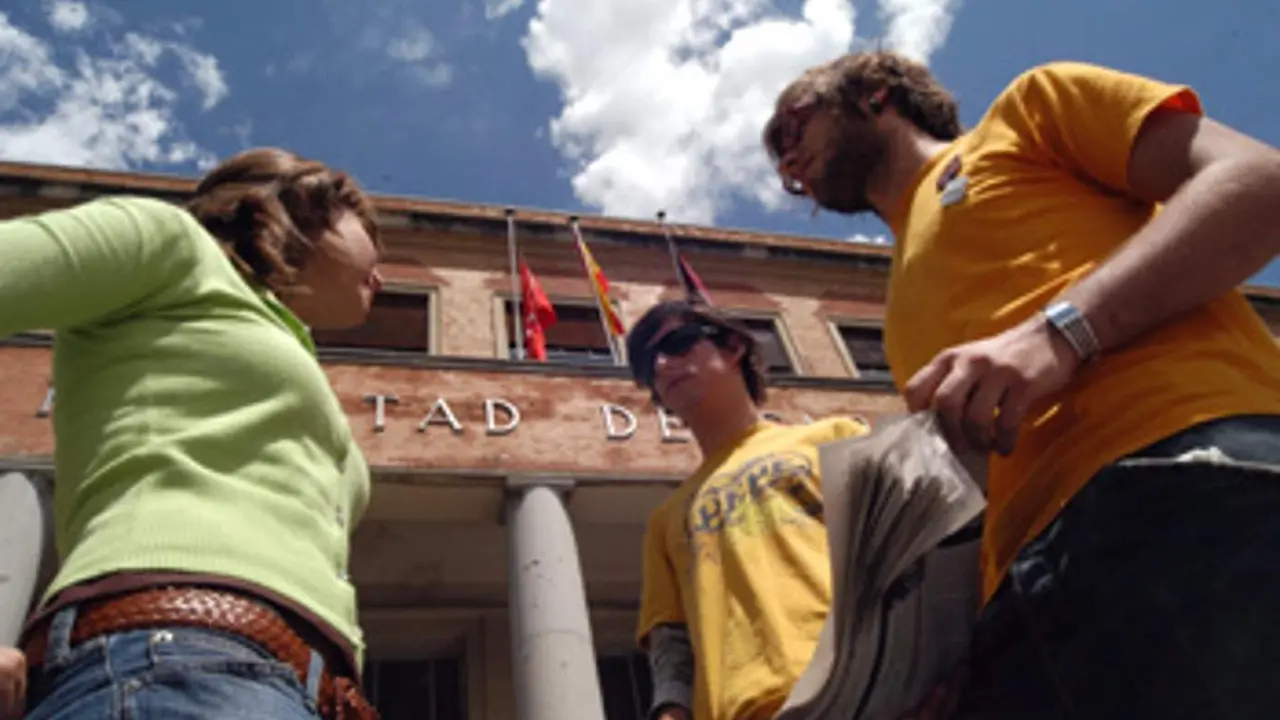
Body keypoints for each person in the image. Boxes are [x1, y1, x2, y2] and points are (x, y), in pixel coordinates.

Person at [764, 51, 1280, 718]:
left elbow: (1257, 181)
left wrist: (1060, 333)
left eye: (794, 125)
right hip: (1021, 613)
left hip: (1182, 480)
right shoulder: (898, 306)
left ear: (875, 95)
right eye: (779, 158)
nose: (788, 161)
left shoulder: (1028, 111)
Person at [0, 148, 384, 719]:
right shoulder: (170, 243)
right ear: (309, 203)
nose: (381, 273)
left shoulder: (281, 339)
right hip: (176, 654)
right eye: (372, 238)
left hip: (305, 689)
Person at [625, 299, 870, 720]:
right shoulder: (666, 519)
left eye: (678, 344)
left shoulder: (834, 437)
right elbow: (672, 641)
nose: (663, 365)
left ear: (734, 347)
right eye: (650, 366)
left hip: (861, 694)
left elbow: (908, 553)